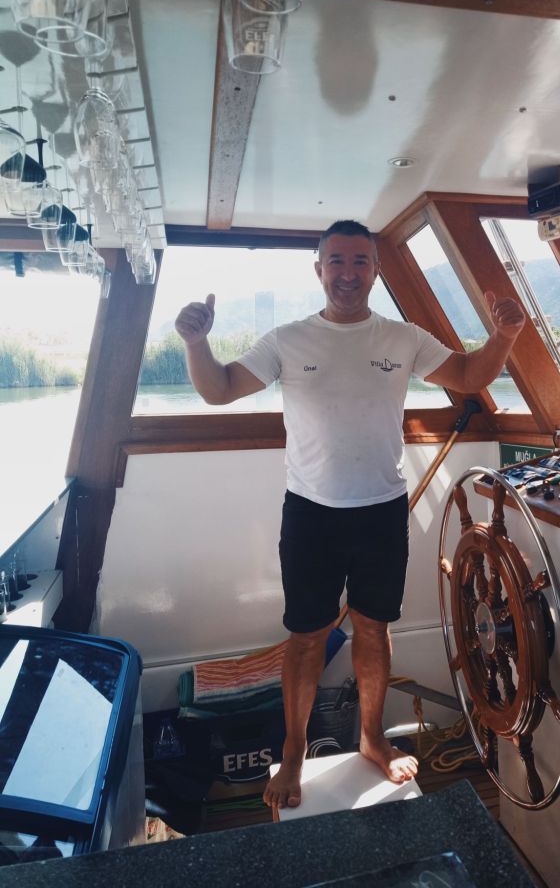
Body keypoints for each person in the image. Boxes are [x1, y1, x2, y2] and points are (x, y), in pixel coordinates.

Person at [175, 219, 526, 810]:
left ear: (376, 271)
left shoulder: (402, 337)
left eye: (360, 261)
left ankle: (371, 738)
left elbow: (469, 376)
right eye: (336, 261)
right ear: (319, 270)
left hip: (380, 511)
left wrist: (505, 335)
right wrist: (195, 344)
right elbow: (221, 388)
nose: (347, 272)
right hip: (310, 513)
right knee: (306, 636)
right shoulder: (288, 340)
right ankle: (293, 751)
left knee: (373, 628)